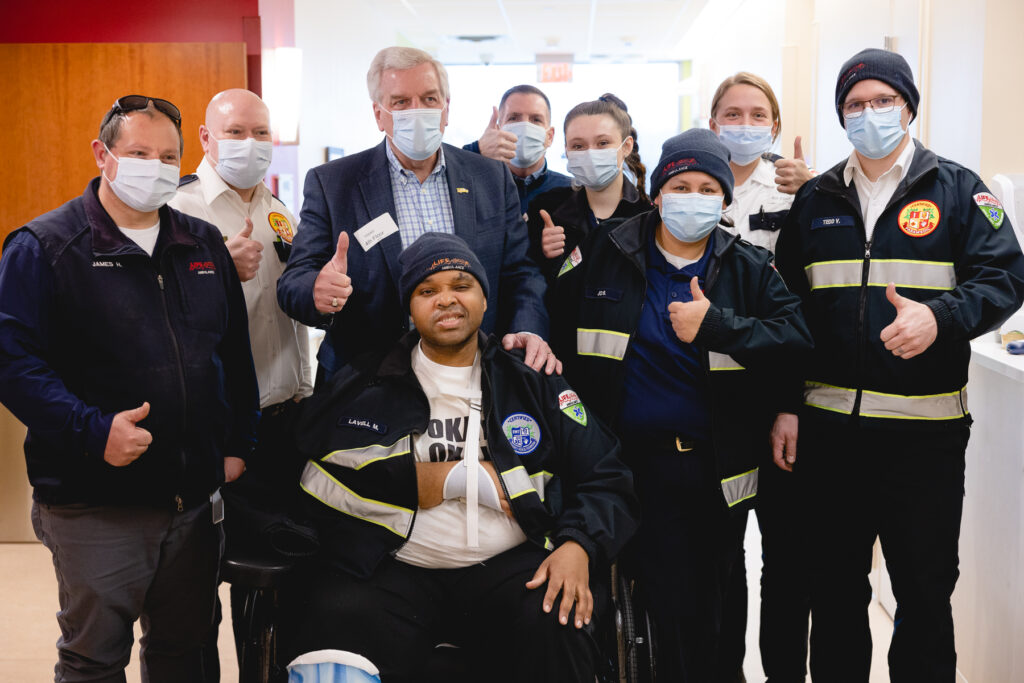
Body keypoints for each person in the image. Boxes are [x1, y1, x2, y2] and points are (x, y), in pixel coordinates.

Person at [280, 232, 639, 683]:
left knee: (560, 616)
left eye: (461, 286)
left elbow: (606, 475)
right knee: (326, 643)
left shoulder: (533, 381)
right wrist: (447, 479)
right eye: (427, 291)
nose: (446, 300)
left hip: (513, 567)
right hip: (392, 568)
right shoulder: (364, 382)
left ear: (485, 300)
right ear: (409, 309)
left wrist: (578, 544)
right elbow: (315, 479)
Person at [773, 48, 1024, 682]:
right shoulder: (817, 199)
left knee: (924, 592)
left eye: (882, 101)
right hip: (831, 436)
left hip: (925, 441)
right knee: (834, 593)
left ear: (907, 107)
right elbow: (786, 312)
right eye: (854, 105)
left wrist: (941, 316)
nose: (869, 114)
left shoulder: (961, 190)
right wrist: (785, 403)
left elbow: (1005, 276)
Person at [0, 95, 259, 681]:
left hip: (193, 500)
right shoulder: (44, 247)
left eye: (169, 156)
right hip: (96, 500)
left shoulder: (201, 244)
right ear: (103, 155)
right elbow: (14, 363)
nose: (157, 167)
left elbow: (233, 355)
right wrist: (93, 431)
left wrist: (240, 442)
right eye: (139, 153)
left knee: (188, 650)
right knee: (95, 655)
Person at [553, 128, 813, 682]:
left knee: (713, 604)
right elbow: (554, 326)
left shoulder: (745, 266)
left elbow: (796, 339)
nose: (691, 197)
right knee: (649, 606)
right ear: (657, 192)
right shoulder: (607, 251)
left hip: (713, 468)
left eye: (706, 189)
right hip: (624, 466)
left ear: (723, 200)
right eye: (680, 185)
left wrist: (717, 325)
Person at [277, 47, 555, 386]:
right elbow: (295, 281)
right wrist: (317, 292)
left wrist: (527, 328)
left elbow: (521, 272)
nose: (417, 112)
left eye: (429, 99)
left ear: (446, 109)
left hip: (474, 376)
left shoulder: (490, 178)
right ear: (379, 114)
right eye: (400, 102)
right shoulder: (334, 184)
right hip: (366, 381)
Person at [169, 87, 313, 677]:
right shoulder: (177, 211)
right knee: (195, 590)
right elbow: (150, 317)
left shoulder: (284, 211)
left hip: (284, 422)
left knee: (278, 583)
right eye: (235, 132)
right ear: (205, 139)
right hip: (212, 431)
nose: (250, 145)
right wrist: (213, 276)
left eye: (260, 133)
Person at [707, 71, 814, 682]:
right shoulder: (691, 188)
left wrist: (789, 402)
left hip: (779, 393)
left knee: (787, 558)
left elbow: (807, 309)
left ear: (774, 126)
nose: (743, 125)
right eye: (732, 113)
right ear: (712, 119)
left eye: (756, 115)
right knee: (722, 559)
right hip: (711, 398)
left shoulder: (798, 193)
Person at [527, 93, 652, 286]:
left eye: (602, 143)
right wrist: (542, 253)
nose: (590, 153)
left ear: (626, 146)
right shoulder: (547, 209)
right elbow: (526, 282)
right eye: (578, 145)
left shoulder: (649, 216)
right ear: (566, 150)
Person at [462, 84, 572, 215]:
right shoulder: (475, 188)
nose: (525, 127)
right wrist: (476, 149)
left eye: (536, 119)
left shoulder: (571, 192)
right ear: (497, 131)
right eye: (513, 118)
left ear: (550, 136)